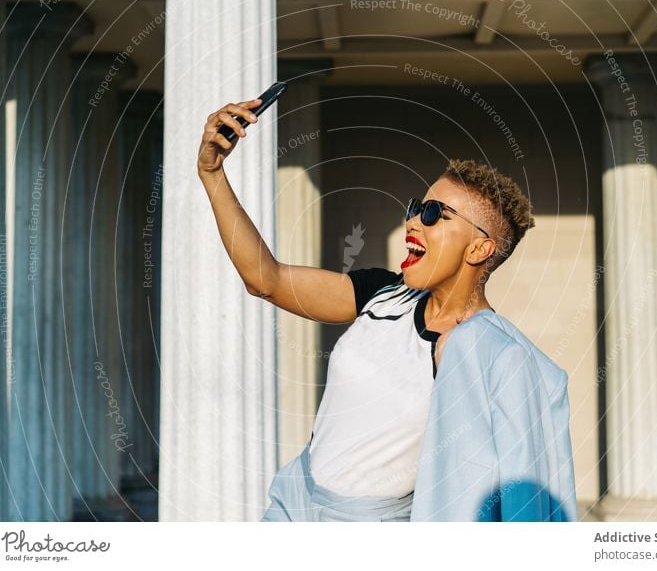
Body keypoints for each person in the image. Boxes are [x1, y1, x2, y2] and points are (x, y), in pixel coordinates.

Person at [197, 98, 575, 522]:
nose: (414, 221)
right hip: (295, 500)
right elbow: (265, 279)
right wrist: (212, 174)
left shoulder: (483, 352)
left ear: (479, 248)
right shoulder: (383, 292)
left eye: (436, 214)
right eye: (417, 206)